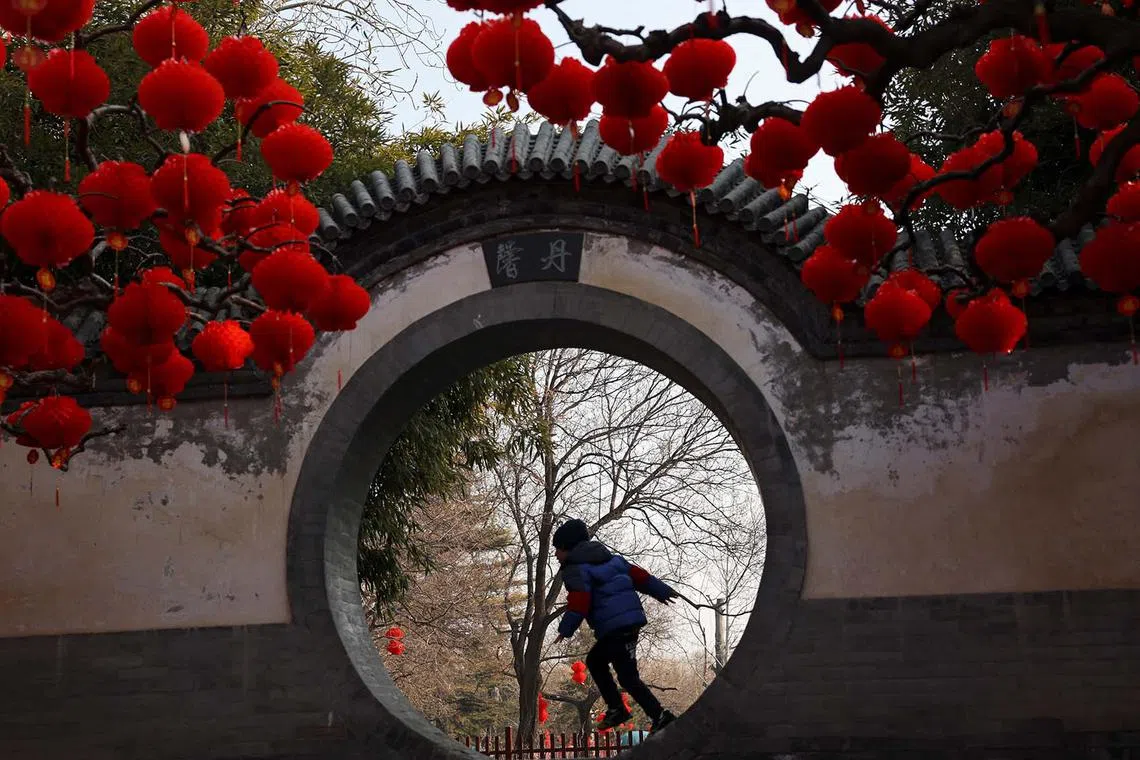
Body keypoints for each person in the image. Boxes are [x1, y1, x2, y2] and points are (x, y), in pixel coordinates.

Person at [551, 518, 679, 734]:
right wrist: (662, 591)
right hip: (632, 623)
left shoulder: (575, 568)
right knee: (628, 677)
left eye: (557, 550)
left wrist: (566, 629)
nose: (556, 555)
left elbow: (580, 601)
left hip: (614, 627)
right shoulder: (614, 561)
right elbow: (640, 576)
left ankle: (617, 708)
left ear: (567, 548)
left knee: (595, 661)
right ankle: (661, 716)